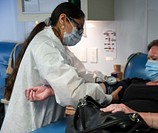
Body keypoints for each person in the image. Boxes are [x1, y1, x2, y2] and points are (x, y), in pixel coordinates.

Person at [1, 2, 120, 133]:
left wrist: (105, 79)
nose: (79, 33)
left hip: (45, 124)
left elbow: (81, 73)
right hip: (28, 126)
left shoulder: (58, 45)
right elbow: (74, 94)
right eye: (78, 28)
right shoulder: (45, 46)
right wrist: (107, 96)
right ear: (63, 20)